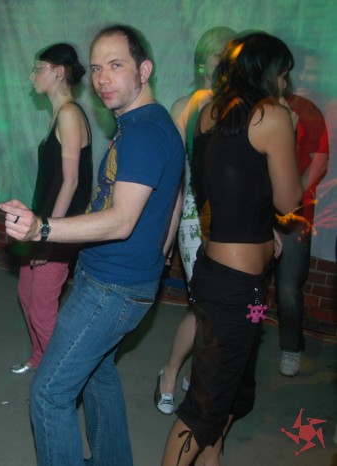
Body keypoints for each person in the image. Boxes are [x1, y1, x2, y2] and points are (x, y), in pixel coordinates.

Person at [1, 25, 184, 466]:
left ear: (144, 70)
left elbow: (121, 220)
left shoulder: (144, 131)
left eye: (116, 65)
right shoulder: (146, 123)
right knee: (99, 375)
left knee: (49, 394)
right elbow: (175, 194)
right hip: (122, 280)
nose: (103, 78)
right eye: (98, 67)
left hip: (110, 287)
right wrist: (159, 254)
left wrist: (42, 229)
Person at [162, 33, 302, 465]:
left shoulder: (211, 112)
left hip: (233, 282)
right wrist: (290, 129)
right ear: (266, 70)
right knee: (204, 406)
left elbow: (229, 188)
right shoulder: (271, 115)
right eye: (283, 73)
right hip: (238, 288)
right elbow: (289, 201)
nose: (286, 82)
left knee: (234, 385)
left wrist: (264, 228)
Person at [155, 26, 236, 415]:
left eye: (232, 54)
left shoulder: (241, 108)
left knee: (220, 306)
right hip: (192, 214)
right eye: (220, 53)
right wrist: (168, 233)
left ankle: (195, 374)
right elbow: (174, 176)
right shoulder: (185, 106)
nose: (226, 61)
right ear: (203, 60)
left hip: (232, 217)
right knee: (205, 302)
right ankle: (171, 372)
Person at [10, 43, 92, 375]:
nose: (32, 76)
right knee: (26, 293)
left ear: (58, 72)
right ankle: (40, 357)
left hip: (59, 227)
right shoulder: (60, 113)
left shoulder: (70, 113)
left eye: (38, 68)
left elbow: (71, 182)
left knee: (42, 305)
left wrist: (48, 235)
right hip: (44, 222)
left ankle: (60, 375)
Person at [273, 67, 329, 377]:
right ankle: (249, 332)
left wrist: (293, 198)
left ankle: (291, 346)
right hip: (259, 212)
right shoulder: (263, 107)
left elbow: (319, 162)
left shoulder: (308, 111)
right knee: (253, 285)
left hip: (295, 216)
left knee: (288, 288)